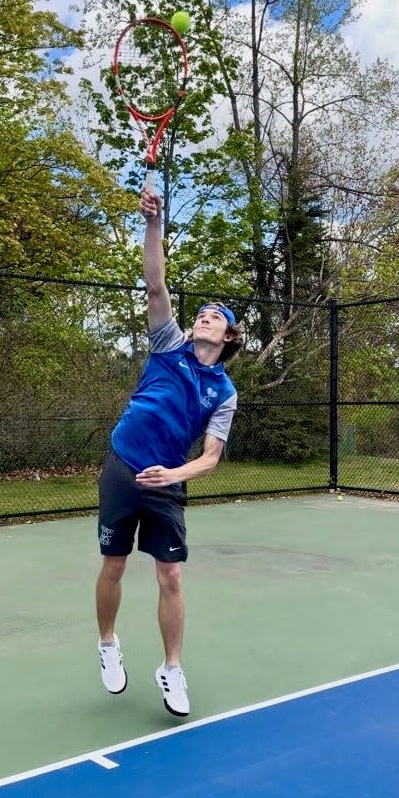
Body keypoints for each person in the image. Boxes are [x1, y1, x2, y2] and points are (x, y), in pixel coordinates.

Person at [95, 185, 243, 717]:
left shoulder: (223, 392)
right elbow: (155, 282)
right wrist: (153, 222)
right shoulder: (168, 344)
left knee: (170, 575)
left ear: (228, 337)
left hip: (166, 480)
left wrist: (171, 474)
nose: (203, 317)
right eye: (200, 313)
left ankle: (172, 669)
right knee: (113, 565)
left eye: (214, 316)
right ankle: (108, 643)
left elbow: (210, 458)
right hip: (121, 465)